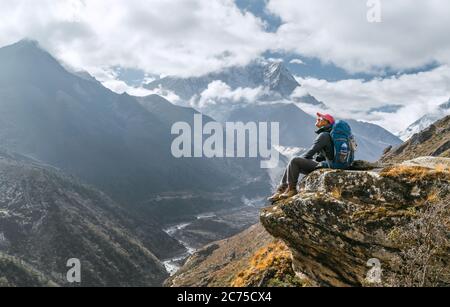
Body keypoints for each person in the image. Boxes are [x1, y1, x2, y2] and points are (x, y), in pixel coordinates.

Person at [268, 113, 335, 202]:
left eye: (320, 118)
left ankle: (291, 189)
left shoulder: (324, 135)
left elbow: (310, 152)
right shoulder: (328, 134)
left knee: (295, 161)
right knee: (293, 163)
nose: (317, 119)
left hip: (327, 165)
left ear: (326, 122)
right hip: (328, 163)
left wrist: (301, 159)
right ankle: (281, 189)